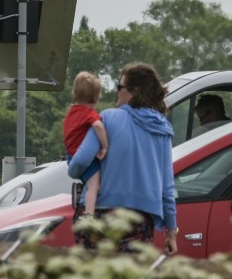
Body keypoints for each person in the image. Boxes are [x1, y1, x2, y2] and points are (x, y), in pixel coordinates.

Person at [68, 62, 178, 255]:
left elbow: (79, 161)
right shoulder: (162, 130)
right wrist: (171, 232)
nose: (117, 91)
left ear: (134, 91)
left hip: (98, 214)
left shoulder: (108, 119)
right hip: (138, 221)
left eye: (120, 87)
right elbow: (167, 189)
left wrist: (74, 172)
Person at [62, 72, 109, 216]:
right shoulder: (89, 114)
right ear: (96, 97)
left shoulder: (71, 113)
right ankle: (88, 213)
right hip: (85, 159)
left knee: (88, 184)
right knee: (94, 185)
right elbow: (98, 126)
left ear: (75, 94)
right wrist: (105, 145)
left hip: (71, 157)